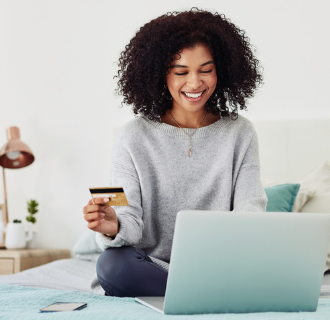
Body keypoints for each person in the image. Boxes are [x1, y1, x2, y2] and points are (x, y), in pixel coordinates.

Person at [82, 8, 267, 297]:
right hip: (148, 267)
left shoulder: (239, 133)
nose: (195, 83)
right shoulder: (132, 137)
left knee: (264, 263)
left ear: (222, 70)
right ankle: (209, 293)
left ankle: (195, 290)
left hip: (220, 266)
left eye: (206, 70)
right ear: (160, 74)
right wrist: (111, 225)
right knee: (112, 265)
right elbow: (128, 218)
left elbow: (250, 211)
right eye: (181, 72)